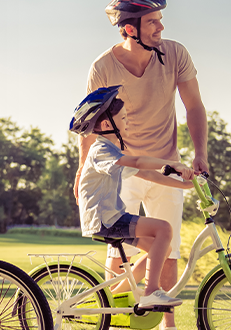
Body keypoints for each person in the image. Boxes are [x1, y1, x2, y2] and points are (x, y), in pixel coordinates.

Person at [78, 0, 212, 330]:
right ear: (130, 29)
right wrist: (81, 171)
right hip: (121, 168)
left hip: (166, 163)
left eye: (160, 19)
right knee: (117, 252)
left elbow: (194, 107)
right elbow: (92, 126)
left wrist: (200, 153)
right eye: (152, 21)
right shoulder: (103, 67)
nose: (161, 26)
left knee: (168, 251)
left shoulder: (175, 54)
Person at [70, 86, 194, 313]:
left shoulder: (111, 151)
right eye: (124, 118)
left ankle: (110, 299)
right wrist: (172, 164)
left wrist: (184, 185)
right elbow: (138, 163)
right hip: (106, 219)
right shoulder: (101, 151)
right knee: (164, 229)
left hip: (112, 217)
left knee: (162, 248)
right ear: (108, 125)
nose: (128, 122)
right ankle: (150, 292)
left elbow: (145, 174)